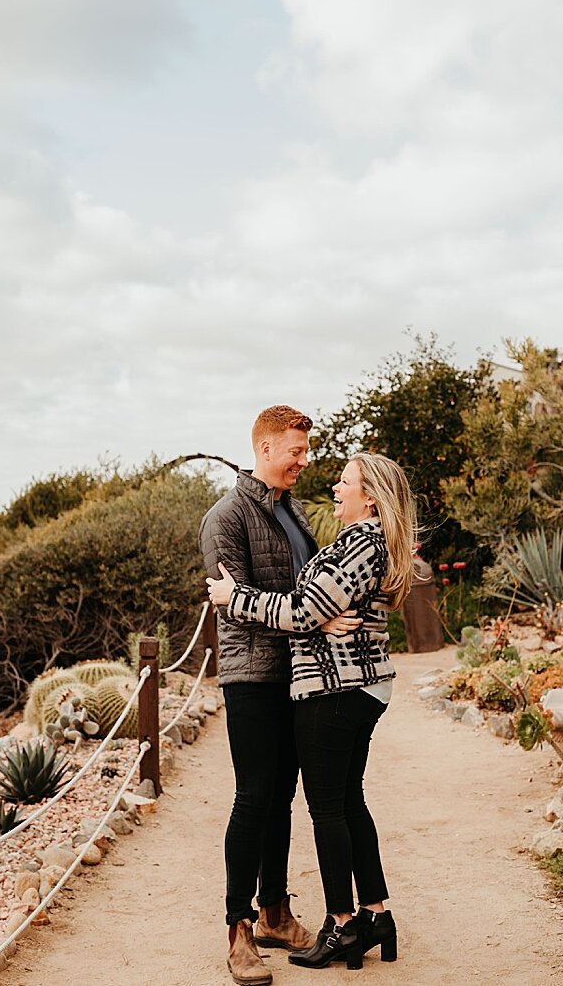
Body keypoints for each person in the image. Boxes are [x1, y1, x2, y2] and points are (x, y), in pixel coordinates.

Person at [207, 451, 414, 971]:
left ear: (370, 496)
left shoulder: (360, 542)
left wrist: (235, 598)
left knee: (327, 810)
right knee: (347, 802)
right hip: (353, 685)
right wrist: (320, 619)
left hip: (337, 687)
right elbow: (317, 609)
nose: (334, 487)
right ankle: (376, 914)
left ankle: (342, 925)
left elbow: (303, 609)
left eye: (345, 482)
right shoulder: (367, 541)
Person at [200, 405, 329, 986]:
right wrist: (313, 622)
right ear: (265, 448)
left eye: (307, 449)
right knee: (253, 797)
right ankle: (238, 928)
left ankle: (276, 910)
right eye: (295, 450)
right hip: (251, 675)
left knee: (283, 796)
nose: (304, 460)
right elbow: (234, 601)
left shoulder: (293, 511)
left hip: (299, 676)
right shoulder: (225, 516)